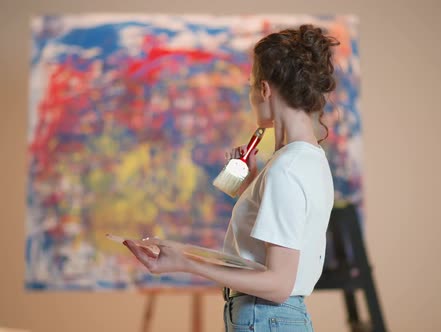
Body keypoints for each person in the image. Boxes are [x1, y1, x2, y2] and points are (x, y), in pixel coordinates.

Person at [124, 24, 339, 331]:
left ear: (264, 89)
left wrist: (186, 263)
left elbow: (278, 283)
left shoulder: (285, 169)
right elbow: (268, 252)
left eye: (251, 86)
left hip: (264, 317)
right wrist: (250, 185)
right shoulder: (309, 160)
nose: (251, 95)